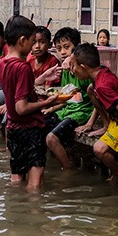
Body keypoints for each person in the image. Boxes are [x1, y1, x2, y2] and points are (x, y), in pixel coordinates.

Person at [0, 15, 61, 191]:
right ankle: (33, 214)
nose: (34, 46)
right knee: (36, 182)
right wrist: (47, 102)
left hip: (13, 128)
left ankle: (15, 208)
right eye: (33, 41)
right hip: (30, 129)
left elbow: (16, 90)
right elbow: (22, 107)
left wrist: (41, 77)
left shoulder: (4, 63)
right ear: (22, 40)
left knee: (17, 177)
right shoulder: (23, 67)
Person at [69, 43, 118, 186]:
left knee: (99, 149)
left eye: (74, 66)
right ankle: (106, 126)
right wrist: (90, 124)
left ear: (83, 67)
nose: (72, 70)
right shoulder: (99, 75)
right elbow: (100, 98)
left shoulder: (103, 85)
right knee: (91, 89)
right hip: (116, 120)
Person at [43, 28, 96, 170]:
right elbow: (68, 97)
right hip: (66, 110)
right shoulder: (64, 70)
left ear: (76, 47)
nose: (62, 52)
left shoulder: (83, 70)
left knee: (51, 138)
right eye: (59, 48)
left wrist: (90, 122)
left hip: (81, 113)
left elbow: (97, 99)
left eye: (67, 47)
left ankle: (68, 170)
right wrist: (52, 108)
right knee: (37, 124)